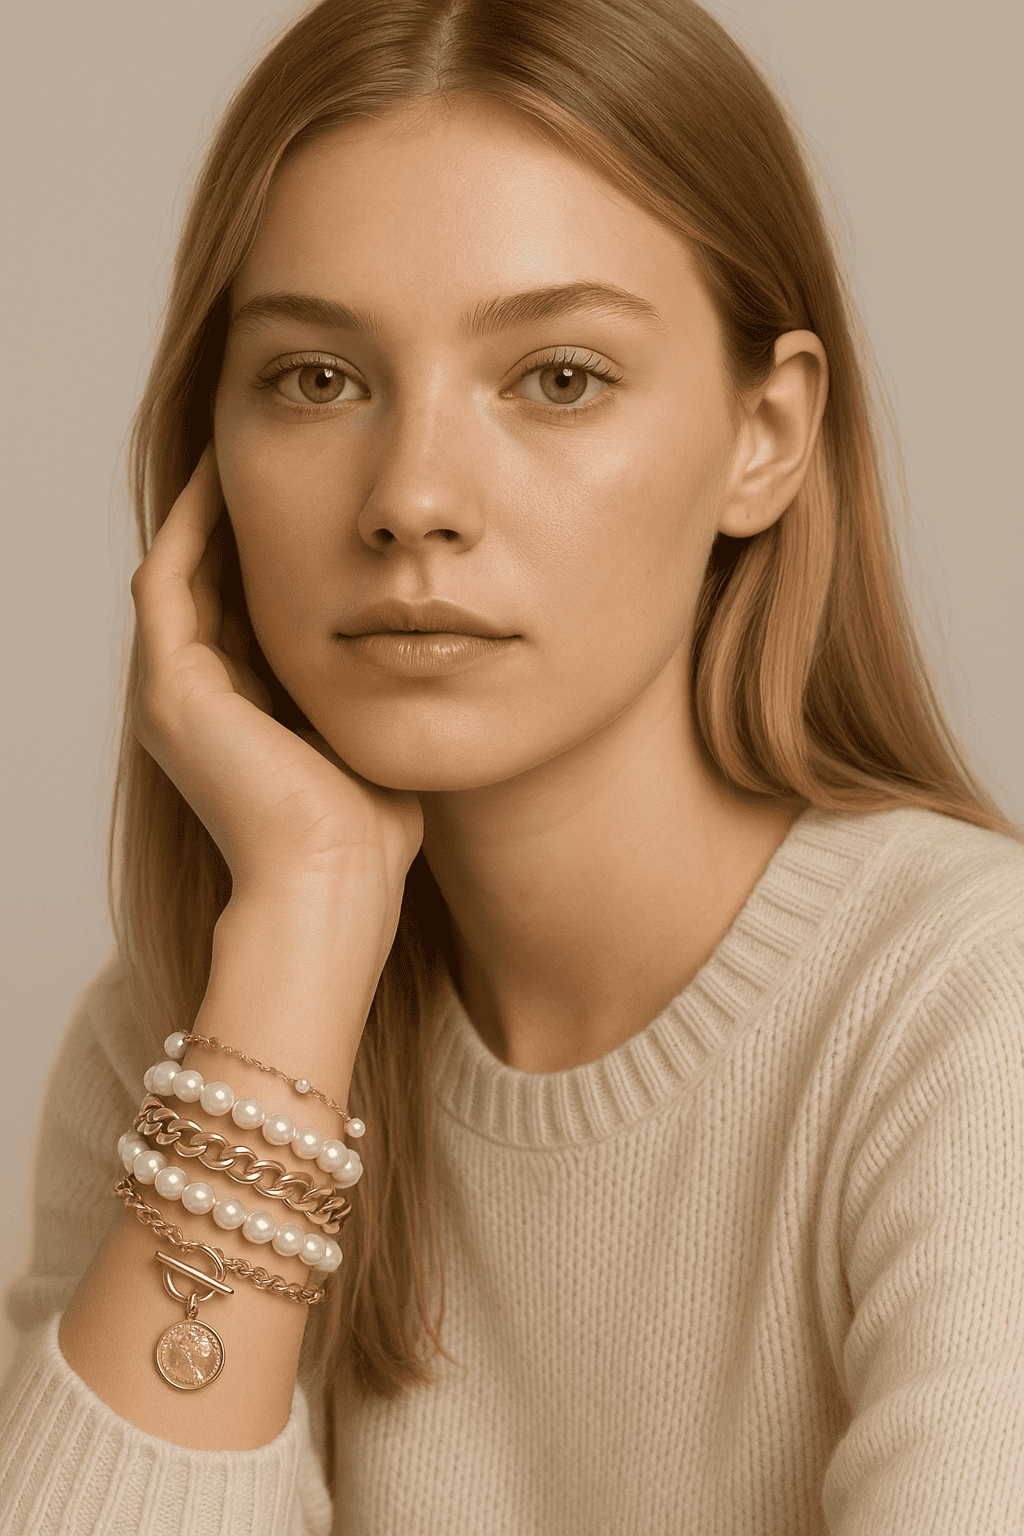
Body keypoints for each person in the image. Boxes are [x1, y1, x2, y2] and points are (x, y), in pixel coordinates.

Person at [1, 0, 1022, 1530]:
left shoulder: (968, 1011)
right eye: (316, 380)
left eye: (556, 378)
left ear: (767, 433)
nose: (412, 498)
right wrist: (304, 925)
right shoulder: (192, 1030)